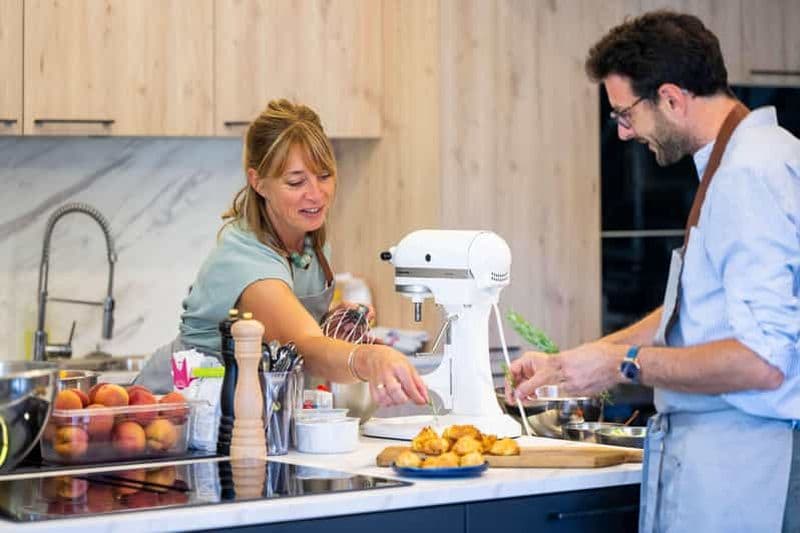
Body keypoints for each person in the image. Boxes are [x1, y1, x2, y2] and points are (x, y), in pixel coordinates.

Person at [506, 11, 799, 533]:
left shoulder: (748, 175)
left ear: (671, 98)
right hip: (731, 461)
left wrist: (624, 364)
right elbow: (697, 311)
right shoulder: (749, 159)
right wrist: (581, 361)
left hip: (749, 468)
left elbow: (761, 362)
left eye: (625, 114)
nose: (622, 133)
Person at [138, 99, 428, 409]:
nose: (316, 194)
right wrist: (371, 358)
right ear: (258, 182)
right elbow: (306, 348)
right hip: (178, 407)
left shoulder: (311, 243)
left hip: (245, 409)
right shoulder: (246, 260)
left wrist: (331, 324)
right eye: (296, 181)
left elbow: (289, 332)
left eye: (324, 175)